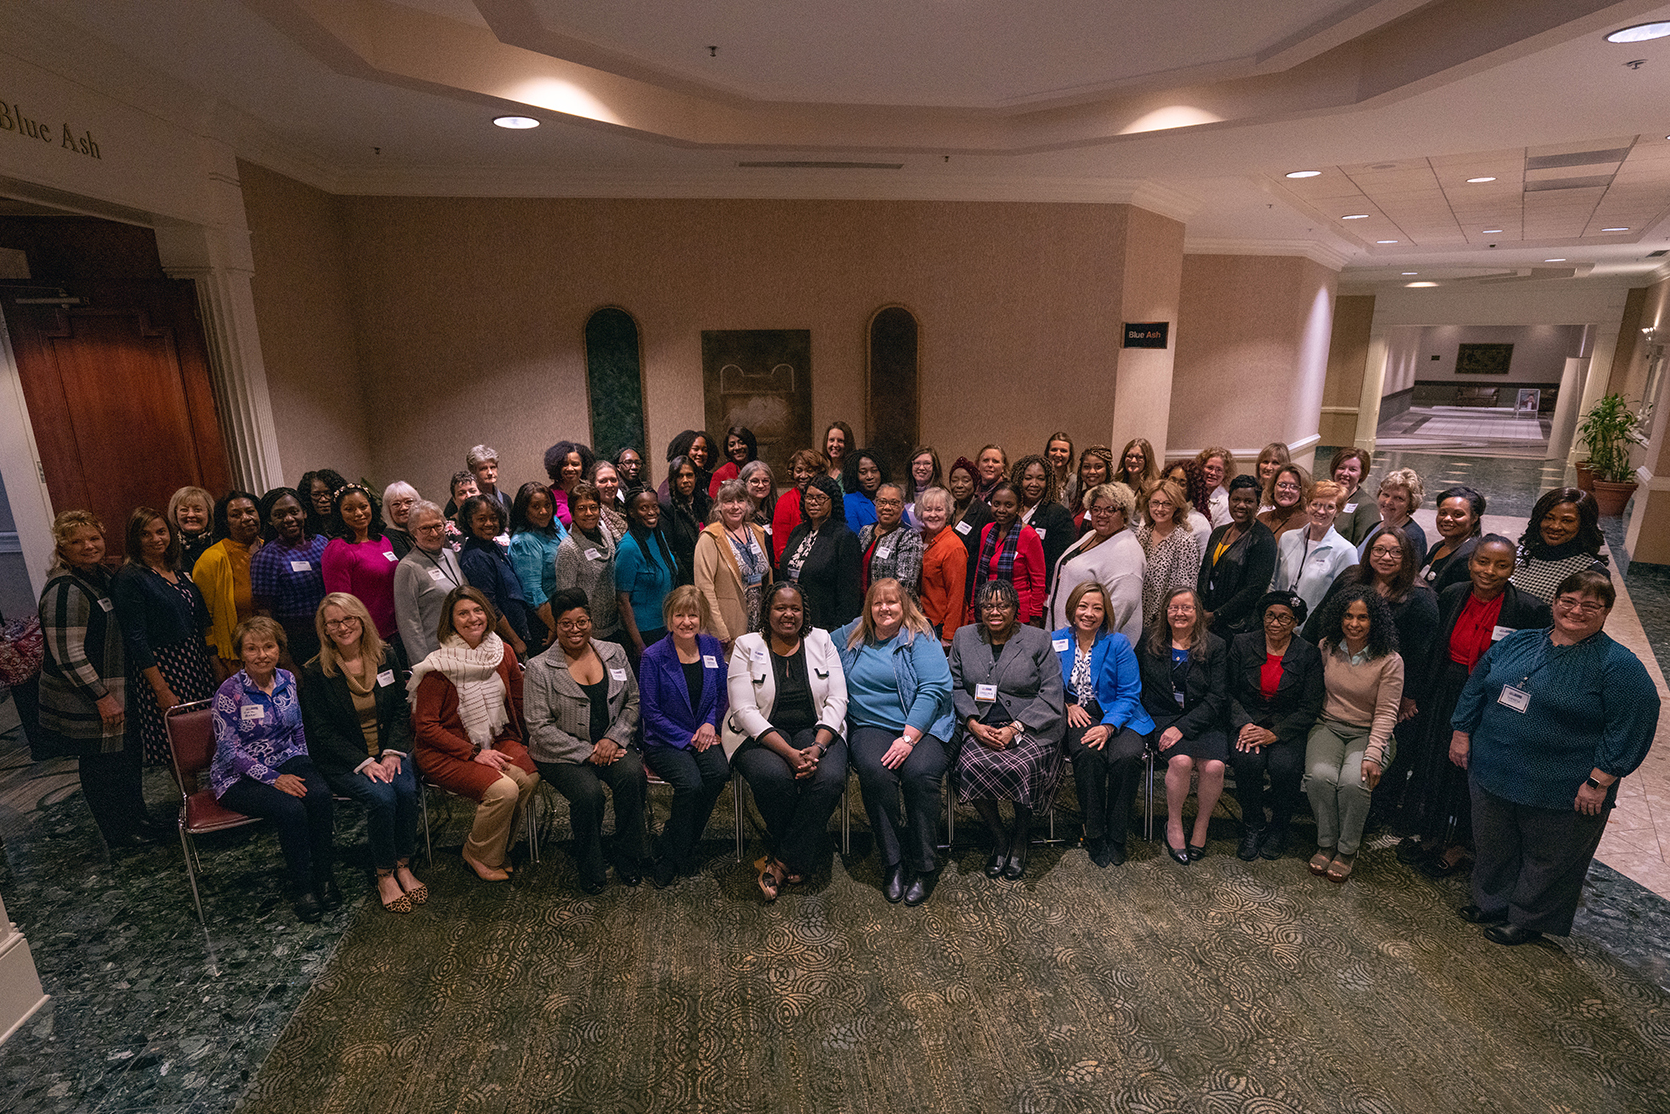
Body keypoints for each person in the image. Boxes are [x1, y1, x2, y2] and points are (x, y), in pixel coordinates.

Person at [1451, 570, 1658, 945]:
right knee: (1494, 842)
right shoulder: (1521, 642)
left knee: (1549, 857)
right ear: (1555, 602)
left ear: (1607, 611)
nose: (1576, 610)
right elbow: (1478, 684)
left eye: (1590, 605)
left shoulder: (1619, 666)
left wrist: (1600, 781)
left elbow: (1632, 726)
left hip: (1563, 784)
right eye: (1569, 601)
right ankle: (1492, 901)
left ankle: (1528, 918)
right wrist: (1461, 732)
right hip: (1494, 767)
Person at [1393, 536, 1550, 877]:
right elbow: (1432, 648)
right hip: (1445, 691)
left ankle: (1460, 845)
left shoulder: (1527, 609)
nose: (1489, 571)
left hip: (1491, 700)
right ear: (1471, 562)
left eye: (1501, 565)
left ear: (1512, 569)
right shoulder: (1452, 595)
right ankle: (1431, 834)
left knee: (1471, 771)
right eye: (1483, 562)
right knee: (1435, 764)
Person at [300, 593, 426, 913]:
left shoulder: (386, 655)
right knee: (382, 798)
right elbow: (321, 730)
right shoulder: (316, 671)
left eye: (349, 619)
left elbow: (400, 707)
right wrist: (363, 761)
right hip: (345, 760)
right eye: (334, 622)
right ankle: (384, 873)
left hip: (389, 751)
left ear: (361, 620)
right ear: (325, 629)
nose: (343, 627)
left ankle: (403, 865)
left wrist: (393, 752)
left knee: (407, 790)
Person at [36, 510, 156, 847]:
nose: (89, 546)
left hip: (117, 690)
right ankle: (119, 833)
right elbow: (68, 654)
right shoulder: (65, 589)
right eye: (77, 541)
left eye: (94, 538)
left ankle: (138, 819)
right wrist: (102, 696)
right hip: (90, 699)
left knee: (125, 758)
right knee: (102, 767)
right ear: (62, 547)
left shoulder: (100, 576)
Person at [725, 582, 848, 900]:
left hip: (816, 728)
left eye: (795, 608)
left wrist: (819, 745)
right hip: (760, 733)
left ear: (804, 612)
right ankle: (804, 851)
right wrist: (791, 754)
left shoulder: (821, 639)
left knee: (831, 777)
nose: (788, 614)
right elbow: (743, 709)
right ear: (767, 611)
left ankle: (780, 860)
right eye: (780, 607)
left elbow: (837, 699)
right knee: (773, 776)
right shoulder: (746, 645)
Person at [836, 578, 955, 905]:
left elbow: (934, 690)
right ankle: (893, 861)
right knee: (876, 774)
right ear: (869, 607)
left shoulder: (921, 636)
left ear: (905, 606)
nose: (884, 609)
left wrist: (907, 737)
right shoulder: (853, 633)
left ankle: (925, 864)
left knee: (918, 775)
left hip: (923, 725)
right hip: (871, 725)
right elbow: (813, 642)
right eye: (877, 603)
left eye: (892, 603)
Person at [211, 617, 337, 923]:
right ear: (241, 653)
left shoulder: (287, 680)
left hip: (286, 757)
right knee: (291, 810)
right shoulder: (230, 692)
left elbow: (297, 729)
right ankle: (303, 887)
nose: (261, 655)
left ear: (279, 649)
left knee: (319, 795)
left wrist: (304, 761)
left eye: (268, 646)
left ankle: (324, 876)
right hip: (237, 775)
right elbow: (229, 751)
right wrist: (274, 778)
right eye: (252, 648)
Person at [411, 587, 540, 882]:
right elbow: (426, 727)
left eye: (478, 610)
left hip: (492, 739)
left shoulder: (502, 651)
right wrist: (473, 753)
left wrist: (530, 738)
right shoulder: (438, 667)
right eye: (463, 613)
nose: (473, 618)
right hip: (445, 751)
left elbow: (518, 700)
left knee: (529, 776)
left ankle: (496, 847)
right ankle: (477, 852)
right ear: (451, 621)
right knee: (504, 790)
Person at [523, 588, 646, 893]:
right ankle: (590, 865)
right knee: (589, 794)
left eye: (582, 622)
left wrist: (614, 739)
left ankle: (628, 854)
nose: (575, 630)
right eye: (566, 623)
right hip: (561, 752)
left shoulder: (614, 652)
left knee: (632, 776)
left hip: (610, 744)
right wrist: (588, 751)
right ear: (557, 625)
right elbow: (538, 726)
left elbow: (633, 700)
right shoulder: (540, 667)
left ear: (591, 621)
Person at [949, 578, 1065, 882]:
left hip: (1029, 724)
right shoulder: (964, 637)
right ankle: (999, 835)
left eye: (1003, 605)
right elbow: (955, 686)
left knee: (1022, 766)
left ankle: (1021, 837)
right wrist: (973, 724)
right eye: (988, 605)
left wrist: (1016, 727)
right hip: (981, 722)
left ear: (1015, 609)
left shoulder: (1038, 639)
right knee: (970, 764)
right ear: (979, 610)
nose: (995, 611)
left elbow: (1052, 693)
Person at [1304, 587, 1404, 884]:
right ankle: (1326, 843)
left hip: (1369, 733)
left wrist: (1374, 754)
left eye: (1363, 617)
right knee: (1320, 776)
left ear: (1376, 621)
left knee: (1353, 782)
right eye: (1348, 616)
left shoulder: (1389, 660)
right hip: (1328, 726)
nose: (1354, 624)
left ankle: (1347, 850)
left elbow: (1387, 713)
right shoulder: (1327, 646)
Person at [637, 586, 729, 887]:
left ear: (701, 617)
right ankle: (674, 855)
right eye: (680, 614)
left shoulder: (712, 647)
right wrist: (689, 737)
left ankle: (675, 844)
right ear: (669, 618)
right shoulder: (653, 657)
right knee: (690, 783)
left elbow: (720, 693)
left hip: (704, 733)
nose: (686, 621)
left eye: (693, 615)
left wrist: (710, 725)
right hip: (664, 740)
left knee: (718, 772)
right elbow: (650, 713)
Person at [1055, 582, 1152, 868]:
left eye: (1097, 608)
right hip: (1078, 714)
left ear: (1105, 612)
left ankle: (1118, 834)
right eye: (1083, 606)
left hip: (1122, 713)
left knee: (1127, 756)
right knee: (1089, 754)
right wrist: (1066, 705)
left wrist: (1109, 726)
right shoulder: (1055, 640)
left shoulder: (1118, 642)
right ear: (1072, 610)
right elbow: (1045, 685)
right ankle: (1094, 831)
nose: (1089, 613)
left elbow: (1130, 693)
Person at [112, 507, 217, 766]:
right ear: (134, 539)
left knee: (208, 735)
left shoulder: (176, 569)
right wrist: (161, 689)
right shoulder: (130, 577)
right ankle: (189, 799)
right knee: (178, 743)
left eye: (161, 532)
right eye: (146, 534)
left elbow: (199, 619)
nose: (156, 539)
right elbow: (135, 638)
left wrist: (213, 663)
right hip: (164, 668)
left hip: (195, 662)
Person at [1227, 591, 1324, 861]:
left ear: (1295, 622)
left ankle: (1279, 827)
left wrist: (1275, 733)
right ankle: (1253, 825)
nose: (1275, 623)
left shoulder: (1308, 654)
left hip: (1287, 724)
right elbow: (1227, 692)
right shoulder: (1242, 644)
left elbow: (1309, 707)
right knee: (1247, 761)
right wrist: (1243, 723)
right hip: (1248, 719)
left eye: (1284, 618)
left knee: (1284, 766)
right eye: (1270, 615)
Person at [1138, 587, 1232, 864]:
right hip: (1163, 717)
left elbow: (1218, 696)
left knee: (1215, 766)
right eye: (1174, 607)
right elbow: (1137, 685)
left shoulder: (1215, 645)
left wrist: (1185, 726)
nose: (1180, 613)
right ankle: (1174, 823)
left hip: (1205, 717)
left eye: (1187, 608)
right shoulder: (1148, 640)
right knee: (1180, 762)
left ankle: (1201, 825)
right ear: (1165, 611)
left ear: (1197, 613)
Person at [1047, 482, 1143, 644]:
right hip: (1067, 636)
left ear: (1125, 513)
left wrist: (1088, 649)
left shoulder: (1128, 553)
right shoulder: (1092, 534)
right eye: (1096, 509)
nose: (1101, 514)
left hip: (1093, 646)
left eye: (1110, 509)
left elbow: (1117, 614)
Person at [320, 484, 402, 662]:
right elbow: (339, 603)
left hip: (395, 632)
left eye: (363, 506)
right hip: (365, 638)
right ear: (339, 514)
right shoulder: (337, 549)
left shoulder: (383, 541)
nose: (358, 513)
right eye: (349, 509)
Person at [250, 488, 329, 669]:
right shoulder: (266, 557)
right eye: (279, 515)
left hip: (331, 633)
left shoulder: (322, 543)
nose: (288, 519)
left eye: (294, 512)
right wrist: (284, 658)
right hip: (297, 644)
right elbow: (264, 613)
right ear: (270, 520)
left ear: (305, 512)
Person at [694, 479, 773, 649]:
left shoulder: (757, 532)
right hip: (729, 625)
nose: (735, 506)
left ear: (748, 504)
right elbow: (704, 587)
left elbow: (767, 576)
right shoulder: (710, 537)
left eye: (740, 500)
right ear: (719, 506)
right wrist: (719, 630)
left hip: (759, 620)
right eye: (729, 501)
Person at [777, 475, 862, 630]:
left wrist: (838, 630)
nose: (813, 502)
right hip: (792, 620)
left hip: (824, 623)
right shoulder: (798, 531)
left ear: (832, 501)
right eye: (809, 497)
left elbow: (849, 595)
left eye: (820, 498)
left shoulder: (844, 537)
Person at [193, 490, 264, 675]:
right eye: (236, 514)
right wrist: (215, 661)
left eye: (250, 511)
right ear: (225, 521)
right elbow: (203, 617)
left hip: (273, 650)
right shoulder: (211, 559)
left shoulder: (270, 549)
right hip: (234, 657)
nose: (246, 518)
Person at [1199, 475, 1278, 638]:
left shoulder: (1263, 539)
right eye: (1236, 499)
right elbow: (1205, 573)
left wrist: (1217, 615)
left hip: (1238, 628)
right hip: (1206, 621)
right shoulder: (1219, 532)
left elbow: (1254, 590)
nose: (1241, 505)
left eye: (1248, 501)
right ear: (1229, 500)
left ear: (1258, 504)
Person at [457, 494, 531, 656]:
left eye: (493, 518)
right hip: (505, 641)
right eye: (482, 519)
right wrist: (516, 641)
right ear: (470, 522)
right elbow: (488, 606)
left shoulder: (491, 546)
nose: (489, 524)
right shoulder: (476, 557)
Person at [1270, 479, 1356, 617]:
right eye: (1315, 504)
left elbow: (1344, 600)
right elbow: (1273, 581)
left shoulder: (1345, 551)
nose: (1321, 511)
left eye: (1329, 507)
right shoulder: (1287, 539)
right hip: (1280, 623)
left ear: (1338, 511)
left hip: (1313, 630)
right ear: (1307, 506)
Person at [393, 501, 466, 663]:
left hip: (464, 648)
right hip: (436, 655)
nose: (433, 533)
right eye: (425, 528)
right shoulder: (408, 568)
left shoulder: (450, 555)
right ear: (413, 531)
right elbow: (409, 624)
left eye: (437, 526)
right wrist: (424, 666)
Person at [1510, 487, 1607, 604]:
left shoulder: (1591, 572)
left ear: (1584, 525)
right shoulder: (1516, 555)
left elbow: (1590, 620)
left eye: (1567, 521)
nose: (1555, 526)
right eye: (1549, 518)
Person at [970, 481, 1047, 625]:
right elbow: (979, 572)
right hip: (988, 608)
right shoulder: (987, 531)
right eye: (996, 504)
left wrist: (1035, 616)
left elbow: (1038, 582)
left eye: (1008, 505)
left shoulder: (1029, 536)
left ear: (1019, 507)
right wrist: (974, 607)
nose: (1001, 509)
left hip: (1018, 613)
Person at [614, 487, 678, 657]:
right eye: (644, 508)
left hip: (666, 626)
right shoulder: (628, 547)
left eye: (654, 506)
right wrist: (637, 643)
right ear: (632, 512)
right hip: (644, 633)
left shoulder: (657, 536)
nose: (651, 512)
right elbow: (622, 600)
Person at [507, 481, 566, 652]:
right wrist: (555, 627)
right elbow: (533, 592)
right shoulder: (524, 541)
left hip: (563, 612)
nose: (544, 511)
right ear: (524, 510)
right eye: (536, 507)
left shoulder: (554, 523)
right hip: (545, 621)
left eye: (547, 505)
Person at [1137, 477, 1202, 630]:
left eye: (1167, 504)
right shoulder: (1143, 534)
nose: (1160, 509)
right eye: (1155, 503)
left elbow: (1185, 591)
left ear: (1176, 507)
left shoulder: (1184, 541)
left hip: (1165, 622)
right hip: (1139, 616)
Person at [915, 486, 968, 646]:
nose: (932, 515)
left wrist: (948, 636)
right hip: (920, 621)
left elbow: (956, 596)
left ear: (947, 513)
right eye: (928, 509)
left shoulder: (953, 547)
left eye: (939, 509)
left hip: (940, 627)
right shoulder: (918, 539)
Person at [1013, 455, 1077, 587]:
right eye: (1028, 478)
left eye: (1041, 479)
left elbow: (1061, 561)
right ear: (1019, 480)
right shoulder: (1010, 508)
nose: (1034, 484)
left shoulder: (1058, 514)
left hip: (1039, 590)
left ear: (1049, 482)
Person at [857, 483, 923, 595]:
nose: (887, 507)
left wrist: (879, 605)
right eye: (882, 502)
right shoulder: (865, 531)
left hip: (892, 607)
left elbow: (904, 586)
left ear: (902, 507)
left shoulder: (909, 537)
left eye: (894, 503)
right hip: (864, 606)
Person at [1419, 486, 1486, 593]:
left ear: (1474, 518)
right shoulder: (1439, 546)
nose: (1447, 519)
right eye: (1443, 513)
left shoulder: (1469, 558)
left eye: (1457, 515)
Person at [1357, 468, 1428, 567]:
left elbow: (1409, 576)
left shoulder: (1413, 536)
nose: (1388, 502)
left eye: (1398, 498)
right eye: (1385, 495)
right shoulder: (1374, 527)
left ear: (1411, 503)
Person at [771, 449, 828, 563]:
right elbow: (781, 549)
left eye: (809, 471)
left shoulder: (827, 498)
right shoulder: (785, 501)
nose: (803, 476)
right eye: (799, 470)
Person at [660, 454, 710, 585]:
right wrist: (689, 583)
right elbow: (670, 551)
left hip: (708, 572)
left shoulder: (705, 503)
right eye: (680, 476)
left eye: (689, 475)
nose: (685, 480)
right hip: (683, 578)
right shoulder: (666, 507)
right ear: (673, 480)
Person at [945, 456, 995, 579]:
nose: (959, 485)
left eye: (966, 480)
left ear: (975, 484)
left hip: (972, 579)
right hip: (947, 575)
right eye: (954, 480)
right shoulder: (947, 510)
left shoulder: (985, 512)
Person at [1162, 459, 1214, 551]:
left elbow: (1202, 562)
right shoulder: (1156, 512)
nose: (1175, 487)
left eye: (1182, 484)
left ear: (1191, 490)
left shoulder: (1199, 522)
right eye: (1172, 480)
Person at [1329, 448, 1379, 544]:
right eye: (1341, 468)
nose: (1345, 473)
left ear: (1361, 474)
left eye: (1352, 470)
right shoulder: (1325, 497)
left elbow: (1365, 547)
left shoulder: (1367, 506)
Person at [544, 440, 595, 528]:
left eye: (575, 464)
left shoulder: (590, 491)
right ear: (557, 467)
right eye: (565, 464)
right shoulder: (549, 496)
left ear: (583, 467)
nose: (570, 468)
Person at [1256, 463, 1310, 544]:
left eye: (1294, 486)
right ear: (1273, 486)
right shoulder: (1261, 518)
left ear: (1302, 491)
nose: (1287, 490)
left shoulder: (1308, 523)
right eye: (1282, 485)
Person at [168, 485, 216, 574]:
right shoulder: (169, 548)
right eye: (184, 510)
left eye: (197, 510)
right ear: (175, 514)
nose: (191, 515)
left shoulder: (220, 543)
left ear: (209, 513)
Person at [841, 448, 888, 531]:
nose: (869, 476)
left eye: (874, 471)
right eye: (863, 472)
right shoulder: (849, 502)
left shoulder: (892, 496)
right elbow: (852, 539)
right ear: (854, 475)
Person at [1073, 445, 1117, 526]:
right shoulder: (1076, 502)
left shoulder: (1114, 502)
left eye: (1098, 467)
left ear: (1107, 470)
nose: (1092, 471)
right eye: (1086, 467)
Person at [298, 468, 349, 540]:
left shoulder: (349, 523)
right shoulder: (304, 530)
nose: (323, 499)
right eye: (316, 495)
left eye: (328, 494)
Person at [466, 444, 512, 523]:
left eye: (493, 467)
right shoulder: (465, 498)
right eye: (483, 468)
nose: (490, 472)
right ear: (473, 471)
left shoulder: (505, 499)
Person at [708, 424, 757, 497]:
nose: (737, 448)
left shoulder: (759, 469)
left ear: (750, 444)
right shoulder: (720, 474)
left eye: (742, 443)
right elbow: (714, 504)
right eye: (732, 445)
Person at [901, 446, 942, 526]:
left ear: (934, 468)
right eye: (917, 463)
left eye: (927, 463)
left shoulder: (941, 496)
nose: (921, 468)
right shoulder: (902, 494)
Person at [1196, 446, 1235, 527]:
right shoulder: (1194, 494)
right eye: (1209, 468)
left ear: (1225, 474)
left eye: (1219, 470)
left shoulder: (1225, 504)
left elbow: (1221, 536)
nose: (1213, 473)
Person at [381, 481, 420, 558]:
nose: (403, 508)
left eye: (408, 502)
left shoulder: (423, 531)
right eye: (396, 504)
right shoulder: (390, 535)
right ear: (388, 510)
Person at [591, 460, 629, 540]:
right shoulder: (592, 515)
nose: (609, 485)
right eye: (603, 481)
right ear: (593, 485)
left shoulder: (627, 508)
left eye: (613, 480)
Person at [739, 459, 777, 532]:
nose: (761, 485)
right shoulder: (739, 512)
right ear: (744, 483)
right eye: (755, 481)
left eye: (765, 481)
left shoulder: (773, 509)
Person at [442, 471, 478, 550]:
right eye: (462, 493)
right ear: (454, 499)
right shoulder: (445, 530)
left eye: (472, 491)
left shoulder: (492, 522)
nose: (468, 496)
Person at [1043, 432, 1075, 497]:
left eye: (1063, 451)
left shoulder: (1073, 481)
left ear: (1070, 455)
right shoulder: (1040, 478)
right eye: (1054, 450)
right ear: (1047, 453)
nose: (1058, 454)